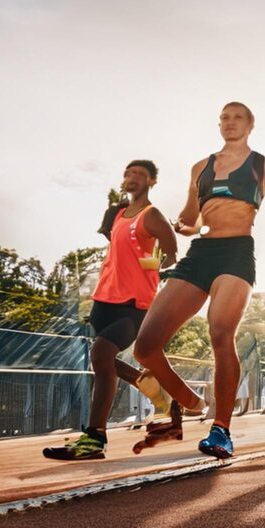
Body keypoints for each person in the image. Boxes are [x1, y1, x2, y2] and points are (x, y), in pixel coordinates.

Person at [134, 102, 265, 459]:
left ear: (250, 124)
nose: (230, 122)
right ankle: (190, 400)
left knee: (220, 332)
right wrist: (182, 226)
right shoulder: (201, 168)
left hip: (237, 254)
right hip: (201, 255)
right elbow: (191, 218)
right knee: (145, 347)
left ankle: (221, 429)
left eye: (237, 116)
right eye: (224, 117)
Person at [43, 161, 177, 460]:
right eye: (129, 173)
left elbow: (171, 254)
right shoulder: (115, 214)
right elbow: (118, 246)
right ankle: (148, 383)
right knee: (103, 359)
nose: (133, 178)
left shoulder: (152, 215)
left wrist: (152, 263)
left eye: (140, 174)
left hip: (134, 304)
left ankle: (94, 439)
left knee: (101, 355)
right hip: (104, 300)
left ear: (151, 181)